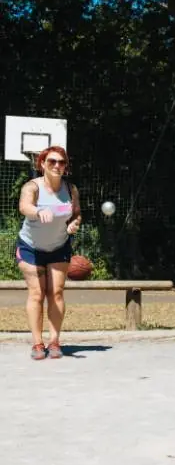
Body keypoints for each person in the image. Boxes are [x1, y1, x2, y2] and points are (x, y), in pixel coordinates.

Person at [15, 145, 82, 360]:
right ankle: (37, 344)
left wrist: (73, 224)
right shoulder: (32, 187)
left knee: (57, 293)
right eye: (52, 161)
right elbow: (24, 206)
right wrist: (38, 210)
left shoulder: (71, 189)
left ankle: (54, 341)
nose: (57, 165)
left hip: (58, 246)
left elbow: (77, 214)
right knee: (37, 293)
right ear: (42, 164)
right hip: (30, 247)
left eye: (61, 162)